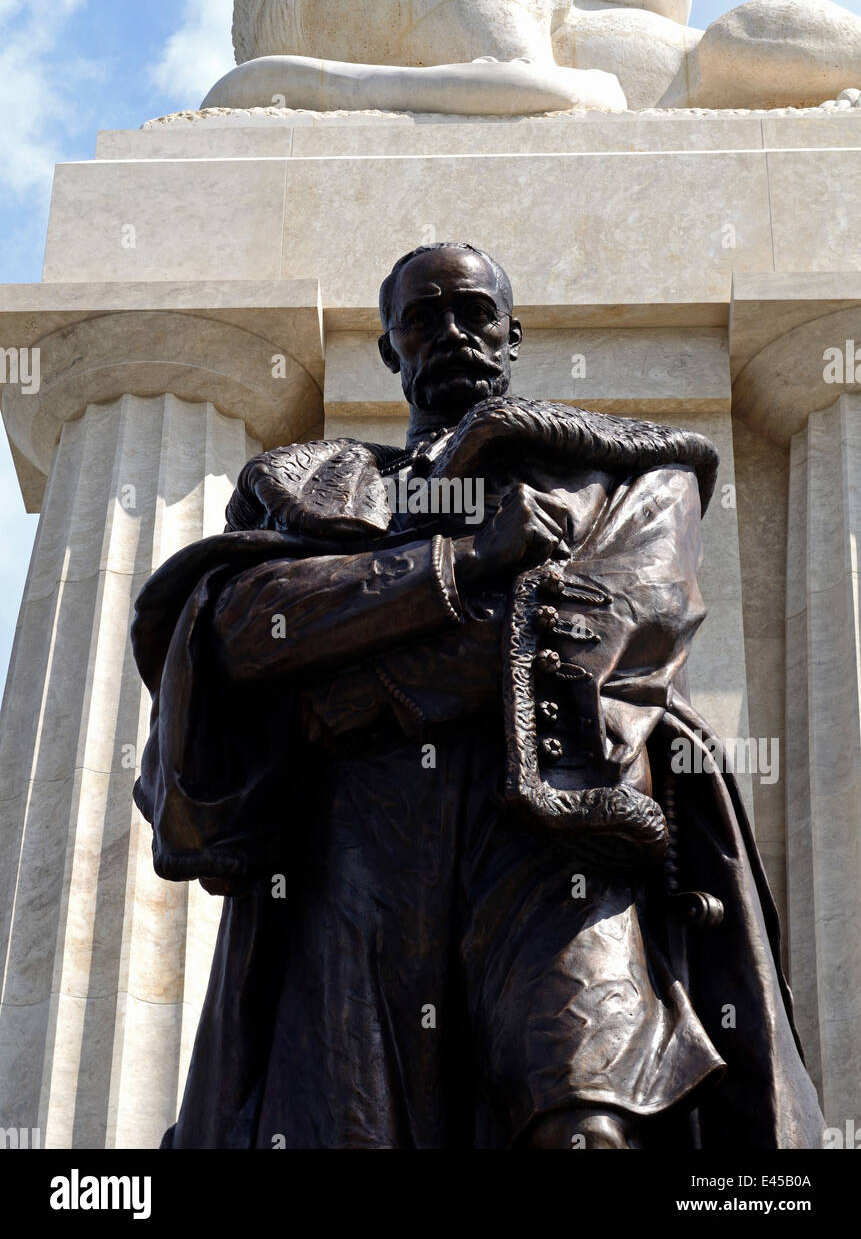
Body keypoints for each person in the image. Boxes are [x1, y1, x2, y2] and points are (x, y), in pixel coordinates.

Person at [132, 242, 824, 1149]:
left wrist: (351, 687)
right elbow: (238, 630)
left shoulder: (623, 477)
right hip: (358, 845)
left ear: (511, 332)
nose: (451, 333)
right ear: (389, 348)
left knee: (588, 1123)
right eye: (422, 317)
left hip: (557, 831)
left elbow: (605, 635)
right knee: (342, 1129)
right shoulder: (308, 487)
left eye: (472, 311)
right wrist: (459, 565)